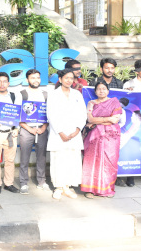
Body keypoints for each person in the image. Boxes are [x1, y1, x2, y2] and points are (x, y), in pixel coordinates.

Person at [47, 69, 87, 199]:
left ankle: (68, 187)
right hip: (59, 134)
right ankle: (58, 187)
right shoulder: (53, 95)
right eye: (66, 78)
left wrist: (77, 130)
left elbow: (83, 113)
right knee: (58, 160)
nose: (69, 80)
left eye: (71, 78)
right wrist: (60, 132)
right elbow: (50, 115)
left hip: (74, 134)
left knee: (72, 160)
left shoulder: (77, 94)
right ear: (60, 79)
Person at [81, 82, 122, 198]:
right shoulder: (91, 103)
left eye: (104, 89)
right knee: (91, 161)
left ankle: (107, 189)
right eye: (99, 89)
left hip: (111, 136)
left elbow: (115, 120)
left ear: (108, 91)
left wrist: (97, 120)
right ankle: (90, 190)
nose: (101, 91)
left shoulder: (114, 102)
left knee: (110, 161)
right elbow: (89, 118)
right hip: (94, 136)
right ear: (95, 92)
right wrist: (106, 119)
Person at [0, 72, 22, 195]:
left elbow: (18, 114)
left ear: (8, 83)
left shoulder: (14, 96)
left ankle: (9, 183)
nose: (2, 84)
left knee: (10, 160)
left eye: (4, 81)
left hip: (10, 133)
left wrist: (16, 129)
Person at [19, 69, 50, 194]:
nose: (36, 80)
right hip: (27, 129)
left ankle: (41, 181)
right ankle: (23, 183)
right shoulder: (22, 94)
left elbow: (49, 113)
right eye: (33, 78)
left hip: (41, 129)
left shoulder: (45, 94)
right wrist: (29, 129)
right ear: (27, 80)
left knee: (41, 157)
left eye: (38, 77)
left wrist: (43, 128)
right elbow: (18, 114)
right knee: (24, 157)